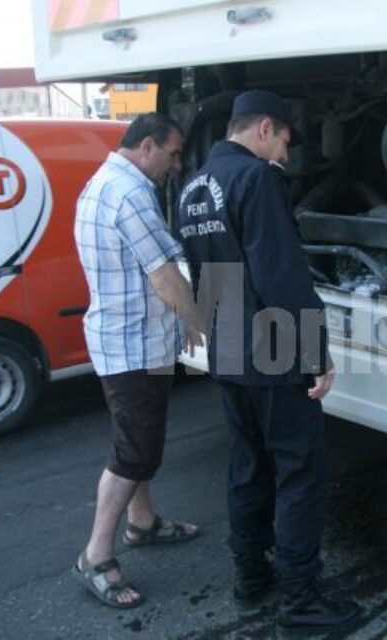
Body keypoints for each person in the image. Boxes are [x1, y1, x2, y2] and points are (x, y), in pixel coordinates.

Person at [176, 90, 362, 634]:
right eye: (283, 140)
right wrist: (317, 353)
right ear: (263, 129)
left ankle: (251, 580)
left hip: (227, 345)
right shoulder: (256, 179)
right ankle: (301, 602)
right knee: (300, 471)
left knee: (247, 465)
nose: (284, 153)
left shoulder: (192, 188)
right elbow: (281, 274)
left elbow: (200, 268)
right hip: (274, 346)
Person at [71, 112, 205, 609]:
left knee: (136, 440)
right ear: (147, 146)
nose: (176, 165)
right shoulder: (131, 195)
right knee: (134, 455)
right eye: (172, 154)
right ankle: (96, 556)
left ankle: (142, 523)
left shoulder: (101, 182)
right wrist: (197, 323)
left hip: (120, 339)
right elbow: (164, 275)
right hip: (132, 346)